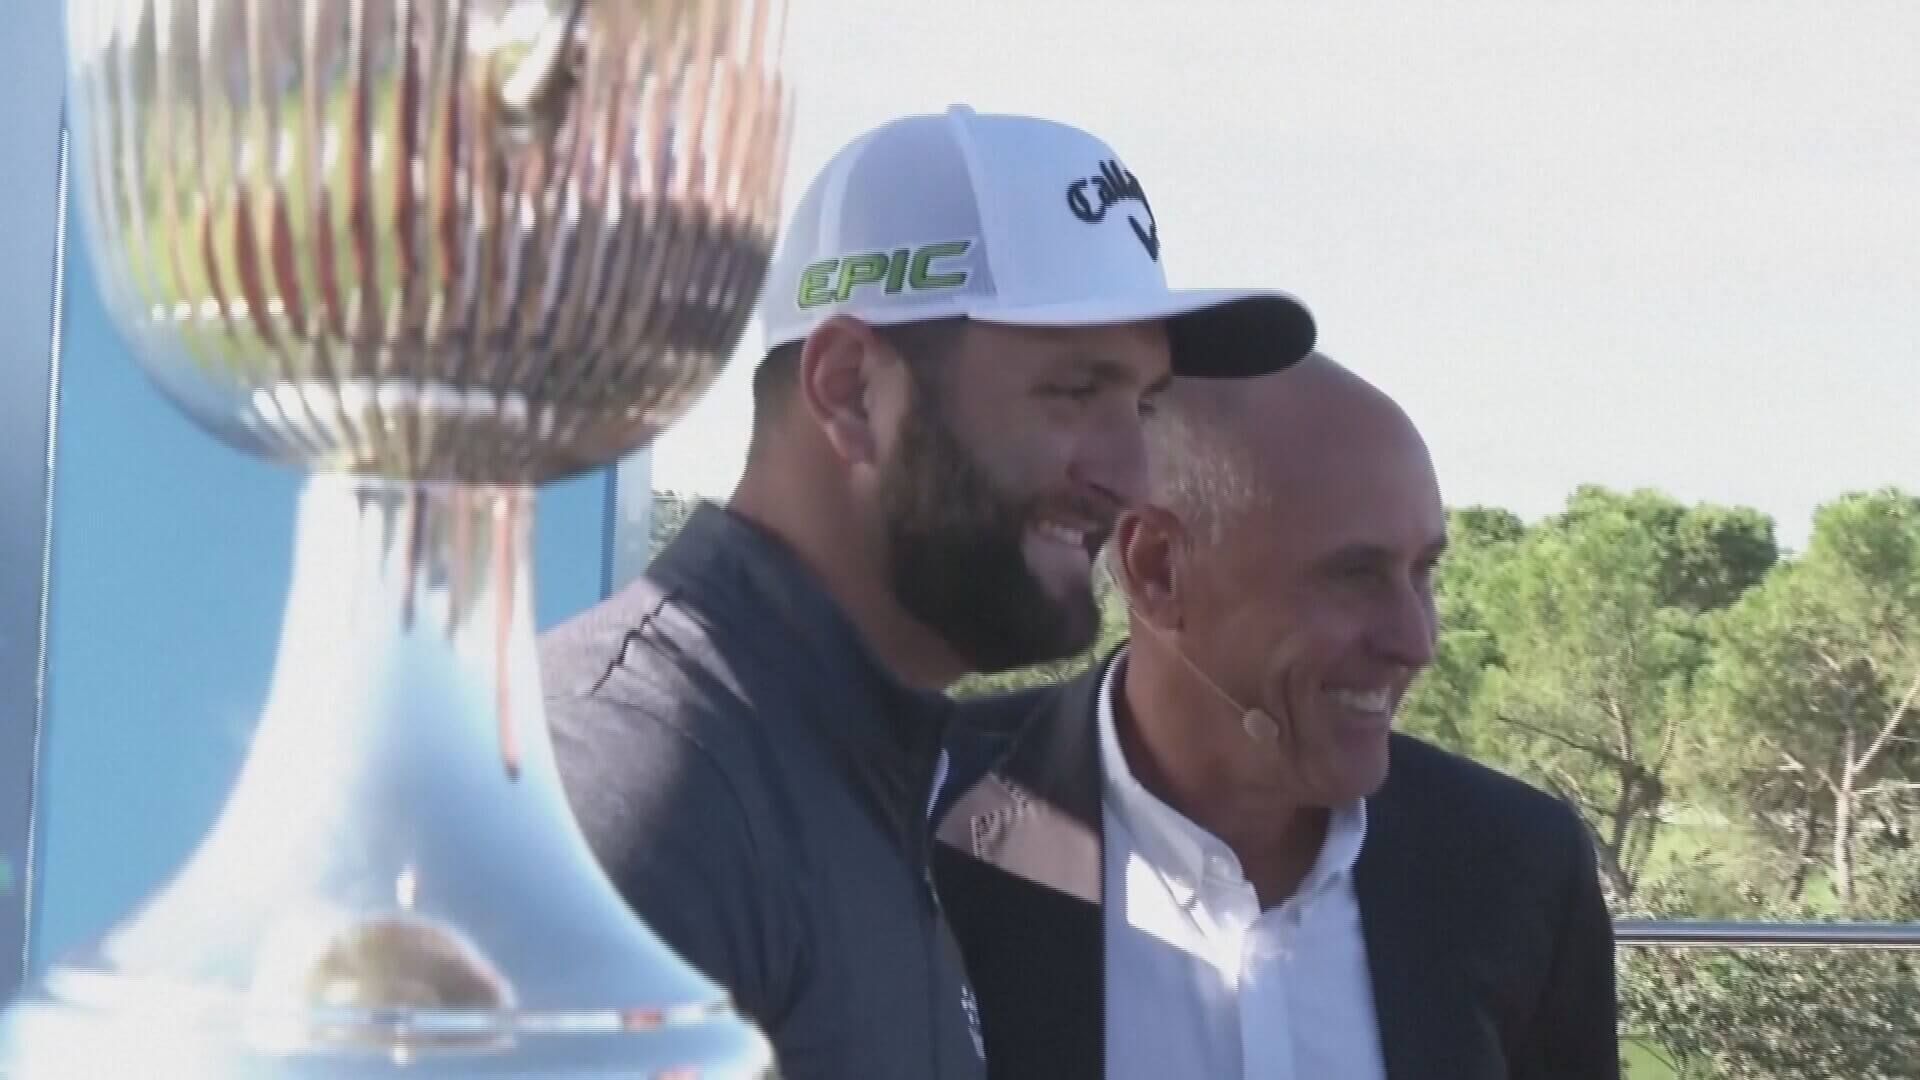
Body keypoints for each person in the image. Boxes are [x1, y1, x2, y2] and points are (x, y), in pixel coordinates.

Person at [538, 104, 1318, 1080]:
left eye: (1144, 405)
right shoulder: (632, 788)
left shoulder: (857, 771)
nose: (1134, 477)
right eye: (1076, 390)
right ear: (852, 391)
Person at [934, 354, 1621, 1079]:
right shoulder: (927, 819)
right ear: (1157, 567)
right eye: (1354, 574)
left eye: (1423, 573)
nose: (1416, 642)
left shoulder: (1517, 865)